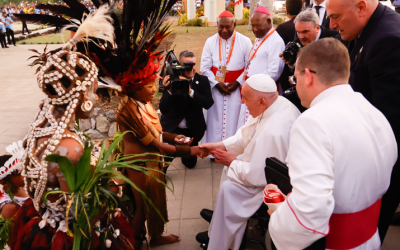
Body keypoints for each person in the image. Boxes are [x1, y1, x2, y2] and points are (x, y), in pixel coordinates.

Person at [8, 6, 137, 250]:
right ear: (79, 96)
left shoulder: (41, 129)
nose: (97, 98)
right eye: (94, 91)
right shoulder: (70, 147)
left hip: (42, 222)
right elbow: (78, 217)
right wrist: (115, 186)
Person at [269, 38, 397, 250]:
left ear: (307, 76)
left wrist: (279, 214)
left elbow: (310, 211)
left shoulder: (312, 122)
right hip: (370, 238)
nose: (295, 83)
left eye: (295, 77)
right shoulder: (373, 112)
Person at [195, 74, 300, 250]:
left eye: (245, 98)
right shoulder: (274, 103)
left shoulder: (275, 130)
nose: (242, 102)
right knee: (230, 171)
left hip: (270, 185)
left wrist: (233, 162)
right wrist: (220, 146)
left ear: (261, 101)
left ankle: (223, 237)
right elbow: (247, 134)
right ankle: (219, 225)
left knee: (229, 188)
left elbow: (258, 176)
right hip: (260, 171)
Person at [326, 0, 400, 242]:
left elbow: (387, 120)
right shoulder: (367, 29)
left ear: (360, 7)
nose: (331, 24)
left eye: (336, 16)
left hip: (385, 158)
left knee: (368, 228)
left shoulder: (387, 40)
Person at [201, 10, 252, 148]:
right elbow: (205, 67)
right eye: (220, 27)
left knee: (234, 118)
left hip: (236, 89)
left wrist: (238, 82)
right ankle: (213, 149)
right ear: (217, 25)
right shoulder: (210, 41)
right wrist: (217, 84)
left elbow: (249, 66)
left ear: (234, 24)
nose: (224, 30)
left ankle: (231, 149)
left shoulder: (245, 41)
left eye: (227, 27)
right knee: (214, 119)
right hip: (216, 89)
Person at [160, 50, 214, 169]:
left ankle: (182, 152)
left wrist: (191, 92)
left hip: (192, 129)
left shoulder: (203, 81)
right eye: (187, 65)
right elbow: (163, 109)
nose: (191, 68)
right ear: (179, 65)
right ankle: (173, 153)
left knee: (190, 164)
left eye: (193, 64)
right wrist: (168, 90)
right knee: (164, 163)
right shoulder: (172, 80)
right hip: (173, 128)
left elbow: (208, 104)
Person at [237, 6, 285, 128]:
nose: (254, 29)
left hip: (261, 94)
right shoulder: (260, 38)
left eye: (258, 25)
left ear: (269, 22)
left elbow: (274, 72)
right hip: (252, 90)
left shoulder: (276, 41)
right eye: (252, 26)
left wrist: (254, 85)